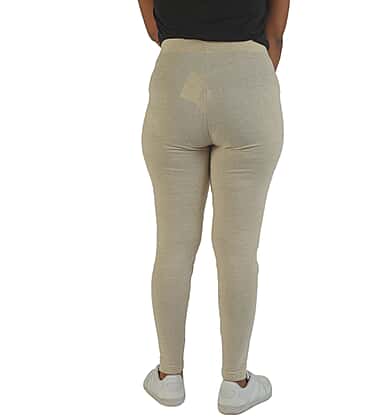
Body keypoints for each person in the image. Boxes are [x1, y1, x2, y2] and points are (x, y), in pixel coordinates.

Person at [138, 0, 289, 414]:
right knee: (238, 249)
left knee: (173, 245)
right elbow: (276, 31)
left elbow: (153, 26)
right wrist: (246, 77)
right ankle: (235, 383)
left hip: (176, 77)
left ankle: (169, 376)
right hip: (248, 77)